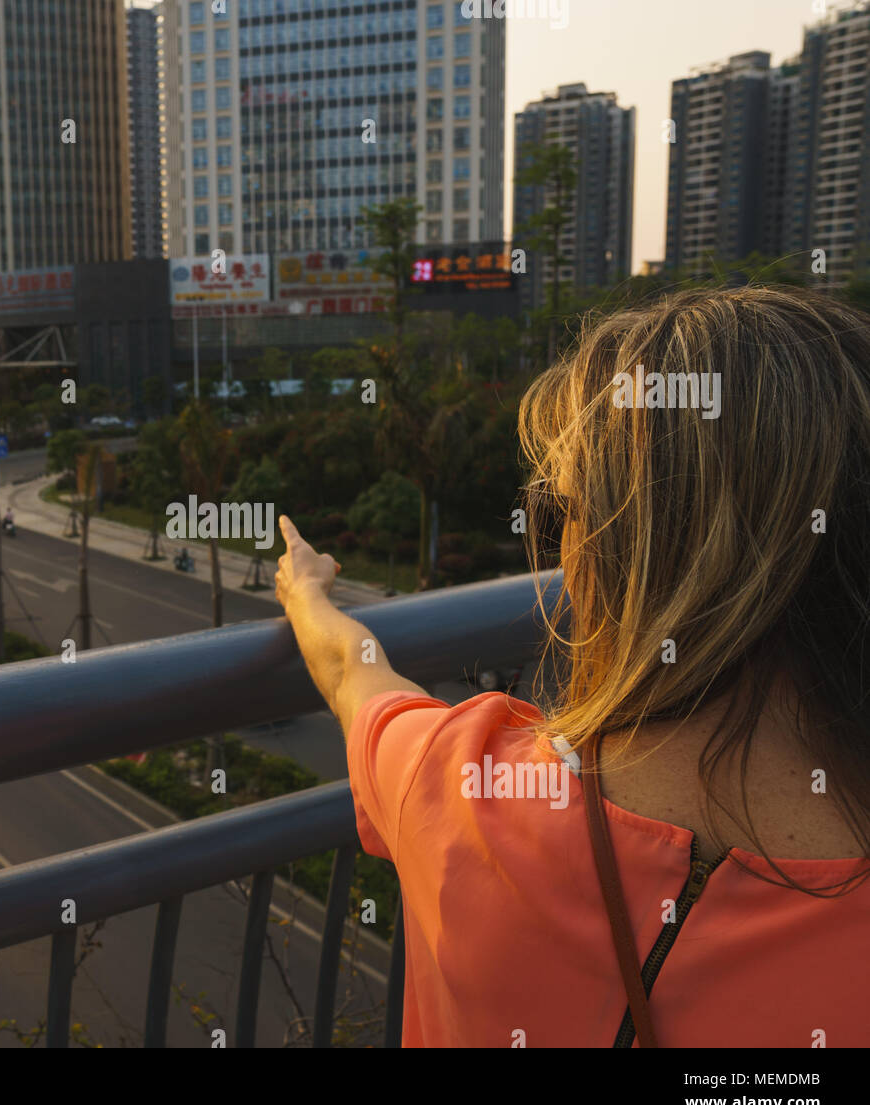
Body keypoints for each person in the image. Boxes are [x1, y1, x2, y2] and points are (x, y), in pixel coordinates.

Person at [276, 287, 870, 1047]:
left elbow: (350, 671)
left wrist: (304, 589)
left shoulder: (463, 789)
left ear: (627, 552)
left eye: (566, 511)